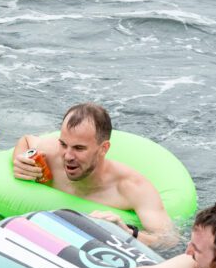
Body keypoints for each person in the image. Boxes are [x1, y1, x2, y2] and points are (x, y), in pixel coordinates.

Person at [11, 103, 177, 249]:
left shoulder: (132, 188)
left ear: (103, 149)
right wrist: (20, 161)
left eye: (79, 148)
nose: (67, 156)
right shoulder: (51, 153)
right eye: (63, 144)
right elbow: (26, 140)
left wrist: (125, 232)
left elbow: (169, 241)